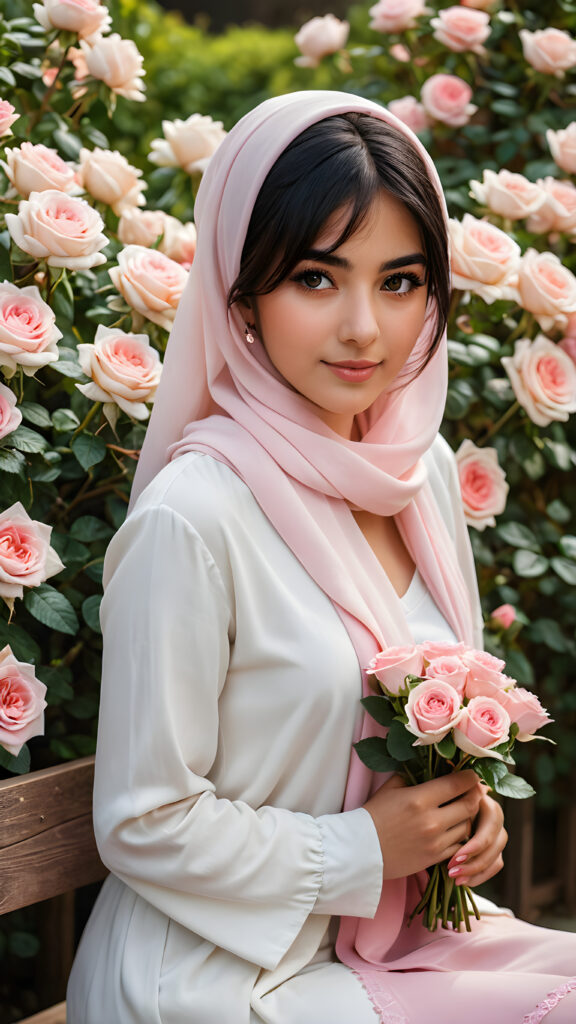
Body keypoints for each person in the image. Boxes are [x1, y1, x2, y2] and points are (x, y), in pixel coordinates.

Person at [67, 91, 576, 1024]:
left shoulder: (416, 472)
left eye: (399, 281)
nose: (363, 330)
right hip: (218, 976)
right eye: (315, 277)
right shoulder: (195, 519)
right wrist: (364, 851)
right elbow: (140, 822)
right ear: (242, 290)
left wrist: (460, 819)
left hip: (401, 941)